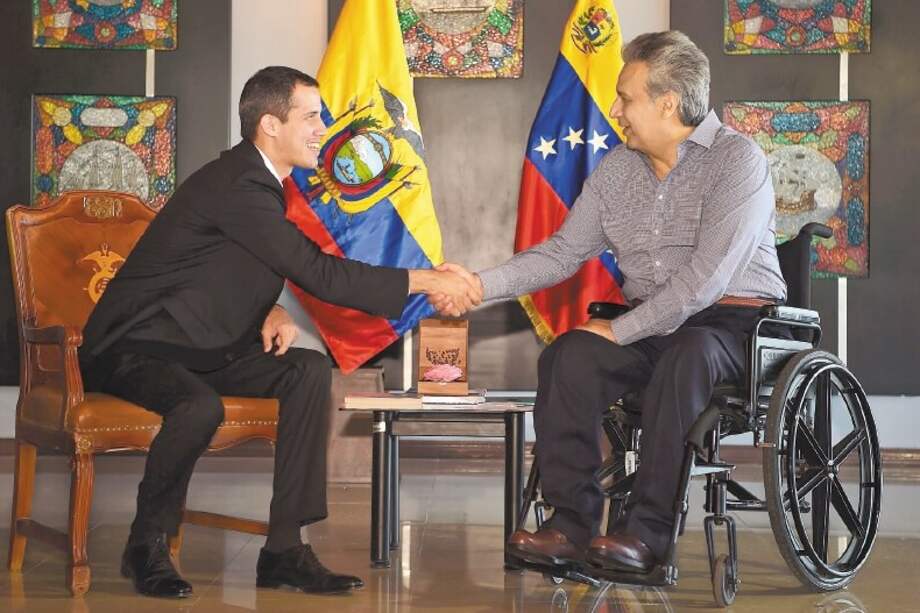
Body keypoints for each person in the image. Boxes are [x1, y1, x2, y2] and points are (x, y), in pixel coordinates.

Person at [79, 66, 481, 599]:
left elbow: (219, 263)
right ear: (270, 125)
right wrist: (426, 279)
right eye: (311, 117)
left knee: (307, 370)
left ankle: (284, 550)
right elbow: (318, 272)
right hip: (134, 346)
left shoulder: (258, 182)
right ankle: (145, 544)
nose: (323, 129)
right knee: (198, 406)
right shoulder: (240, 183)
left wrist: (269, 308)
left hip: (198, 344)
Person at [435, 31, 786, 573]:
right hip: (651, 323)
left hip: (732, 324)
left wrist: (621, 331)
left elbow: (703, 284)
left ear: (667, 103)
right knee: (568, 356)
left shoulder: (737, 161)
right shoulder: (618, 169)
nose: (616, 110)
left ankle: (646, 536)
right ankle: (569, 527)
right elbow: (561, 253)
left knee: (687, 353)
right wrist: (479, 284)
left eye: (626, 98)